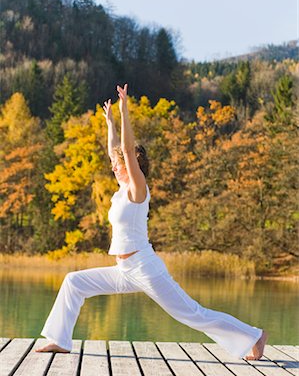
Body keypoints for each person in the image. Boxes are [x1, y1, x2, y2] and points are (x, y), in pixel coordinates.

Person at [36, 84, 268, 360]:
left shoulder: (138, 188)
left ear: (132, 164)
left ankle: (255, 335)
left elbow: (124, 148)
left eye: (119, 163)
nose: (113, 165)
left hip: (145, 268)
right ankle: (59, 339)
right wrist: (109, 122)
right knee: (74, 282)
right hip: (124, 268)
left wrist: (124, 111)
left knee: (193, 314)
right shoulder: (121, 190)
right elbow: (115, 150)